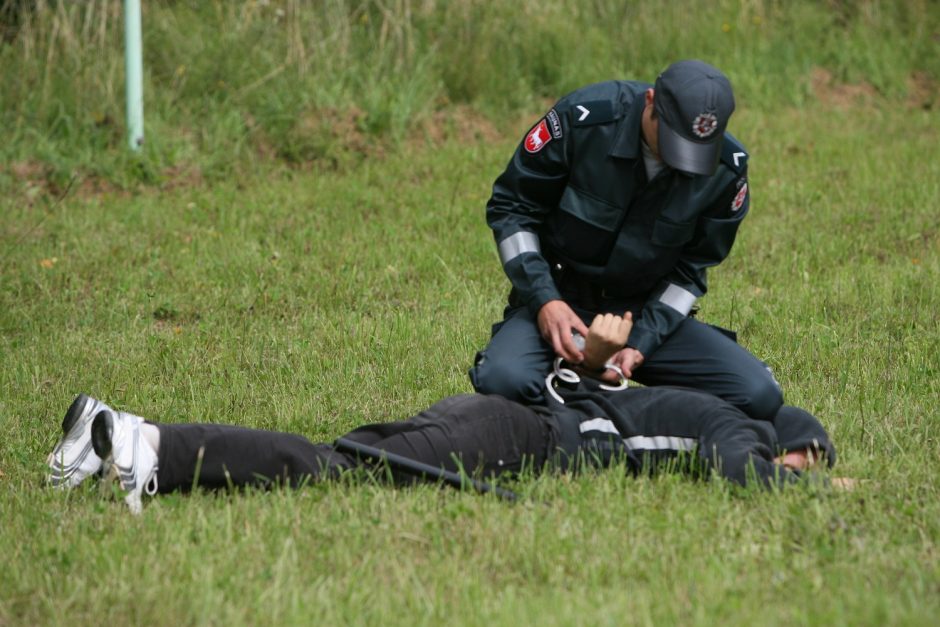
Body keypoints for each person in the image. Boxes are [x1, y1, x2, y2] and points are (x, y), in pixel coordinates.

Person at [47, 315, 838, 515]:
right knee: (339, 467)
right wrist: (803, 484)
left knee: (348, 462)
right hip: (518, 434)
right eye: (807, 458)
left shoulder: (697, 408)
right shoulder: (737, 426)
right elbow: (743, 471)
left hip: (505, 421)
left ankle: (110, 435)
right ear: (792, 442)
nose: (796, 467)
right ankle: (145, 445)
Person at [470, 59, 782, 420]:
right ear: (650, 101)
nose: (681, 162)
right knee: (503, 380)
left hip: (644, 316)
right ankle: (589, 396)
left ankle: (599, 404)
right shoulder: (584, 120)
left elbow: (690, 272)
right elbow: (512, 209)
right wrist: (543, 300)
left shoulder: (725, 172)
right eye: (673, 141)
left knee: (758, 395)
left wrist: (641, 342)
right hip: (560, 300)